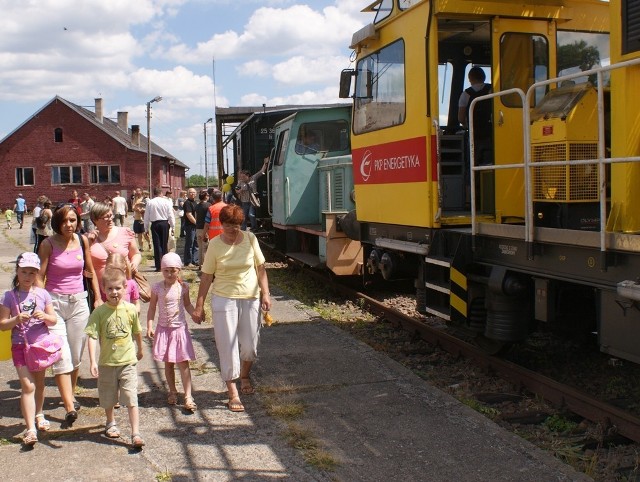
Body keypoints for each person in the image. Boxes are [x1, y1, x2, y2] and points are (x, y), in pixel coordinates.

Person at [193, 205, 272, 413]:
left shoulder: (250, 239)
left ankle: (245, 374)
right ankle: (232, 390)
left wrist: (266, 293)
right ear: (222, 224)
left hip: (250, 297)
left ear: (241, 224)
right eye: (228, 225)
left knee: (250, 345)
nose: (232, 229)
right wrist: (199, 305)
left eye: (236, 225)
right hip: (224, 298)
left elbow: (260, 268)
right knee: (227, 346)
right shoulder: (216, 245)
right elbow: (207, 276)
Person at [38, 203, 101, 419]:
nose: (69, 225)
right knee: (61, 356)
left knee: (75, 356)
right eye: (64, 221)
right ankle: (69, 407)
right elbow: (40, 277)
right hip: (54, 304)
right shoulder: (48, 244)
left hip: (79, 304)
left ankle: (70, 395)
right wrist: (39, 303)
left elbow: (90, 271)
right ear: (57, 222)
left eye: (73, 220)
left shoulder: (82, 241)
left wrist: (98, 298)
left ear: (78, 221)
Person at [0, 253, 59, 446]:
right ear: (17, 271)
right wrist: (16, 319)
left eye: (32, 273)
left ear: (37, 274)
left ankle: (39, 414)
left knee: (40, 384)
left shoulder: (42, 294)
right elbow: (3, 325)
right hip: (20, 346)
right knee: (28, 386)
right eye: (24, 272)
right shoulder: (9, 296)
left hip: (40, 346)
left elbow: (54, 320)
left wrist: (44, 316)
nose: (27, 276)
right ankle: (30, 429)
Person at [85, 267, 145, 448]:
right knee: (108, 396)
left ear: (125, 288)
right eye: (110, 288)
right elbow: (92, 336)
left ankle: (135, 433)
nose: (114, 292)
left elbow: (137, 331)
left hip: (127, 362)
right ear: (103, 289)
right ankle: (110, 422)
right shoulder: (99, 313)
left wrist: (140, 349)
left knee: (131, 396)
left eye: (118, 288)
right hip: (107, 363)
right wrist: (93, 361)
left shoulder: (130, 310)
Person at [146, 253, 197, 411]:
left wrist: (195, 314)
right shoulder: (157, 288)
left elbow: (187, 304)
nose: (169, 274)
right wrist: (149, 325)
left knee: (183, 363)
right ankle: (172, 391)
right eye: (166, 270)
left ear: (179, 270)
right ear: (162, 270)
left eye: (173, 271)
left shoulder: (183, 287)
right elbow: (152, 307)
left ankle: (188, 395)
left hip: (179, 329)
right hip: (164, 330)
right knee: (168, 363)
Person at [89, 202, 142, 298]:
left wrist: (134, 263)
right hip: (101, 292)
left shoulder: (125, 232)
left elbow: (136, 254)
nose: (110, 219)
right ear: (95, 220)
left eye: (110, 215)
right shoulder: (89, 239)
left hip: (122, 289)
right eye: (106, 217)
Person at [458, 66, 493, 165]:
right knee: (489, 162)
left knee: (473, 163)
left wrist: (466, 125)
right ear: (484, 77)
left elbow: (460, 118)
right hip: (490, 134)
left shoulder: (465, 94)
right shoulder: (492, 90)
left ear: (470, 79)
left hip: (474, 135)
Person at [143, 187, 175, 272]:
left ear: (154, 193)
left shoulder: (150, 202)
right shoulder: (166, 202)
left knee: (157, 245)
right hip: (164, 223)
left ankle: (158, 266)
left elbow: (146, 216)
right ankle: (165, 264)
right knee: (164, 244)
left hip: (155, 224)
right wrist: (173, 226)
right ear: (161, 193)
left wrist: (146, 229)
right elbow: (170, 215)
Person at [236, 158, 268, 231]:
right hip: (244, 201)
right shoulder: (240, 182)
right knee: (243, 217)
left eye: (243, 177)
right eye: (241, 177)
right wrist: (240, 190)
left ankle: (254, 228)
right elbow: (237, 190)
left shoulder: (253, 178)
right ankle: (243, 230)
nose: (242, 178)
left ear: (248, 176)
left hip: (252, 201)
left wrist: (265, 163)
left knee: (251, 215)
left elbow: (261, 171)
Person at [182, 188, 199, 268]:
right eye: (191, 192)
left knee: (196, 244)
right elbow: (189, 215)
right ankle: (187, 262)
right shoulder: (187, 203)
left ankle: (195, 261)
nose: (192, 194)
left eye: (194, 192)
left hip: (195, 226)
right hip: (190, 226)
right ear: (188, 194)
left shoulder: (195, 202)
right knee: (189, 244)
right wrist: (196, 223)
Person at [195, 190, 211, 269]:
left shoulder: (197, 206)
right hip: (205, 228)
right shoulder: (208, 205)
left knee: (200, 247)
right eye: (207, 195)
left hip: (198, 228)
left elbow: (196, 217)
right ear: (205, 197)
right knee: (205, 247)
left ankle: (200, 264)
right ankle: (204, 265)